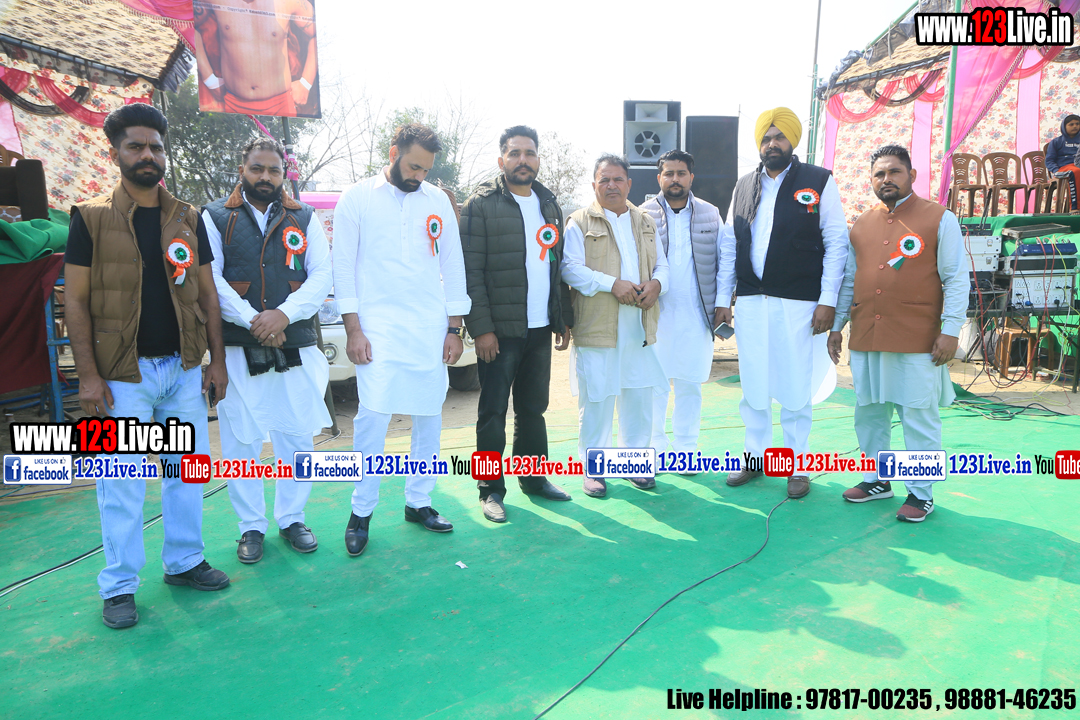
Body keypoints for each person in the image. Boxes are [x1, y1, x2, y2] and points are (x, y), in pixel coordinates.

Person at [63, 103, 230, 629]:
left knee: (187, 474)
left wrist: (217, 362)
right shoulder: (90, 217)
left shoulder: (187, 217)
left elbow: (207, 294)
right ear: (115, 152)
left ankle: (184, 561)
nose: (147, 155)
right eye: (135, 146)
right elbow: (75, 302)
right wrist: (88, 376)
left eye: (156, 147)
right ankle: (119, 586)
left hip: (182, 371)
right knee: (121, 483)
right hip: (121, 377)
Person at [332, 123, 471, 555]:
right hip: (377, 330)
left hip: (429, 327)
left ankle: (419, 502)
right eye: (413, 166)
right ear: (393, 153)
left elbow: (453, 264)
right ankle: (361, 511)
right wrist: (354, 329)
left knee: (429, 416)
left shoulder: (438, 201)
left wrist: (453, 327)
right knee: (373, 419)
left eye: (426, 169)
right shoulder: (357, 197)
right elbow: (342, 268)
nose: (419, 176)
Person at [204, 137, 332, 562]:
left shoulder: (305, 217)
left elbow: (321, 275)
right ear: (243, 169)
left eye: (273, 170)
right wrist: (255, 321)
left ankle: (292, 518)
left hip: (293, 341)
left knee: (296, 437)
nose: (265, 177)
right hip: (239, 346)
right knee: (241, 440)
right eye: (257, 168)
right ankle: (251, 527)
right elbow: (211, 280)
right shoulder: (215, 216)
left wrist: (284, 315)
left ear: (284, 174)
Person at [828, 145, 966, 522]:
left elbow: (956, 279)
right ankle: (877, 480)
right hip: (867, 335)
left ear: (912, 175)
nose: (886, 179)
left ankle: (921, 493)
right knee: (869, 412)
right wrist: (838, 325)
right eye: (879, 174)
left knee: (917, 416)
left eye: (894, 172)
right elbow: (849, 281)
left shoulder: (940, 218)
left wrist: (951, 330)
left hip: (917, 337)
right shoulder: (861, 223)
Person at [716, 108, 848, 499]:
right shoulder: (743, 185)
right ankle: (754, 458)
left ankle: (798, 465)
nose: (772, 144)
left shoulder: (819, 180)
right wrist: (724, 299)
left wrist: (828, 301)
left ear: (793, 140)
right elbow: (729, 244)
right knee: (753, 383)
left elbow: (836, 243)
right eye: (766, 138)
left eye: (779, 137)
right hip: (752, 301)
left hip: (799, 302)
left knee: (794, 384)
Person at [461, 126, 574, 523]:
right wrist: (482, 329)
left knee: (533, 409)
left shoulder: (549, 204)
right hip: (499, 330)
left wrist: (561, 318)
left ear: (538, 159)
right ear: (501, 160)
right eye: (514, 153)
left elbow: (556, 267)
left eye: (529, 153)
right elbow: (470, 272)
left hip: (540, 328)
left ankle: (534, 478)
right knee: (492, 412)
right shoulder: (481, 205)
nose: (522, 160)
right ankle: (490, 490)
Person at [562, 154, 669, 498]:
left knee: (638, 397)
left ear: (629, 184)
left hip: (638, 327)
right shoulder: (579, 222)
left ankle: (633, 464)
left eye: (618, 179)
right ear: (594, 184)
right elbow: (569, 269)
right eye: (604, 180)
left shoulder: (645, 221)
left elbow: (663, 266)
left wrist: (656, 285)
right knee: (597, 398)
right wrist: (612, 284)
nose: (611, 185)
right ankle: (594, 469)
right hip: (598, 326)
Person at [641, 150, 721, 469]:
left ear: (691, 177)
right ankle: (655, 448)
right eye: (669, 173)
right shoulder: (642, 214)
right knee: (654, 384)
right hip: (654, 315)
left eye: (681, 173)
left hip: (696, 313)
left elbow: (724, 260)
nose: (675, 179)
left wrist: (723, 304)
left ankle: (686, 450)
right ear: (659, 177)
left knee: (690, 383)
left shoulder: (710, 214)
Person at [193, 0, 317, 116]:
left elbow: (316, 33)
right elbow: (189, 25)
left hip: (282, 103)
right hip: (233, 102)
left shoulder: (289, 2)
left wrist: (306, 83)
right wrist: (209, 80)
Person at [1045, 114, 1080, 212]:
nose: (1075, 126)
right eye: (1071, 124)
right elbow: (1049, 160)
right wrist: (1056, 171)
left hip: (1078, 166)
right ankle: (1075, 207)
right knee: (1076, 172)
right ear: (1064, 127)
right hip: (1064, 168)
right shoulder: (1056, 142)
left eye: (1077, 124)